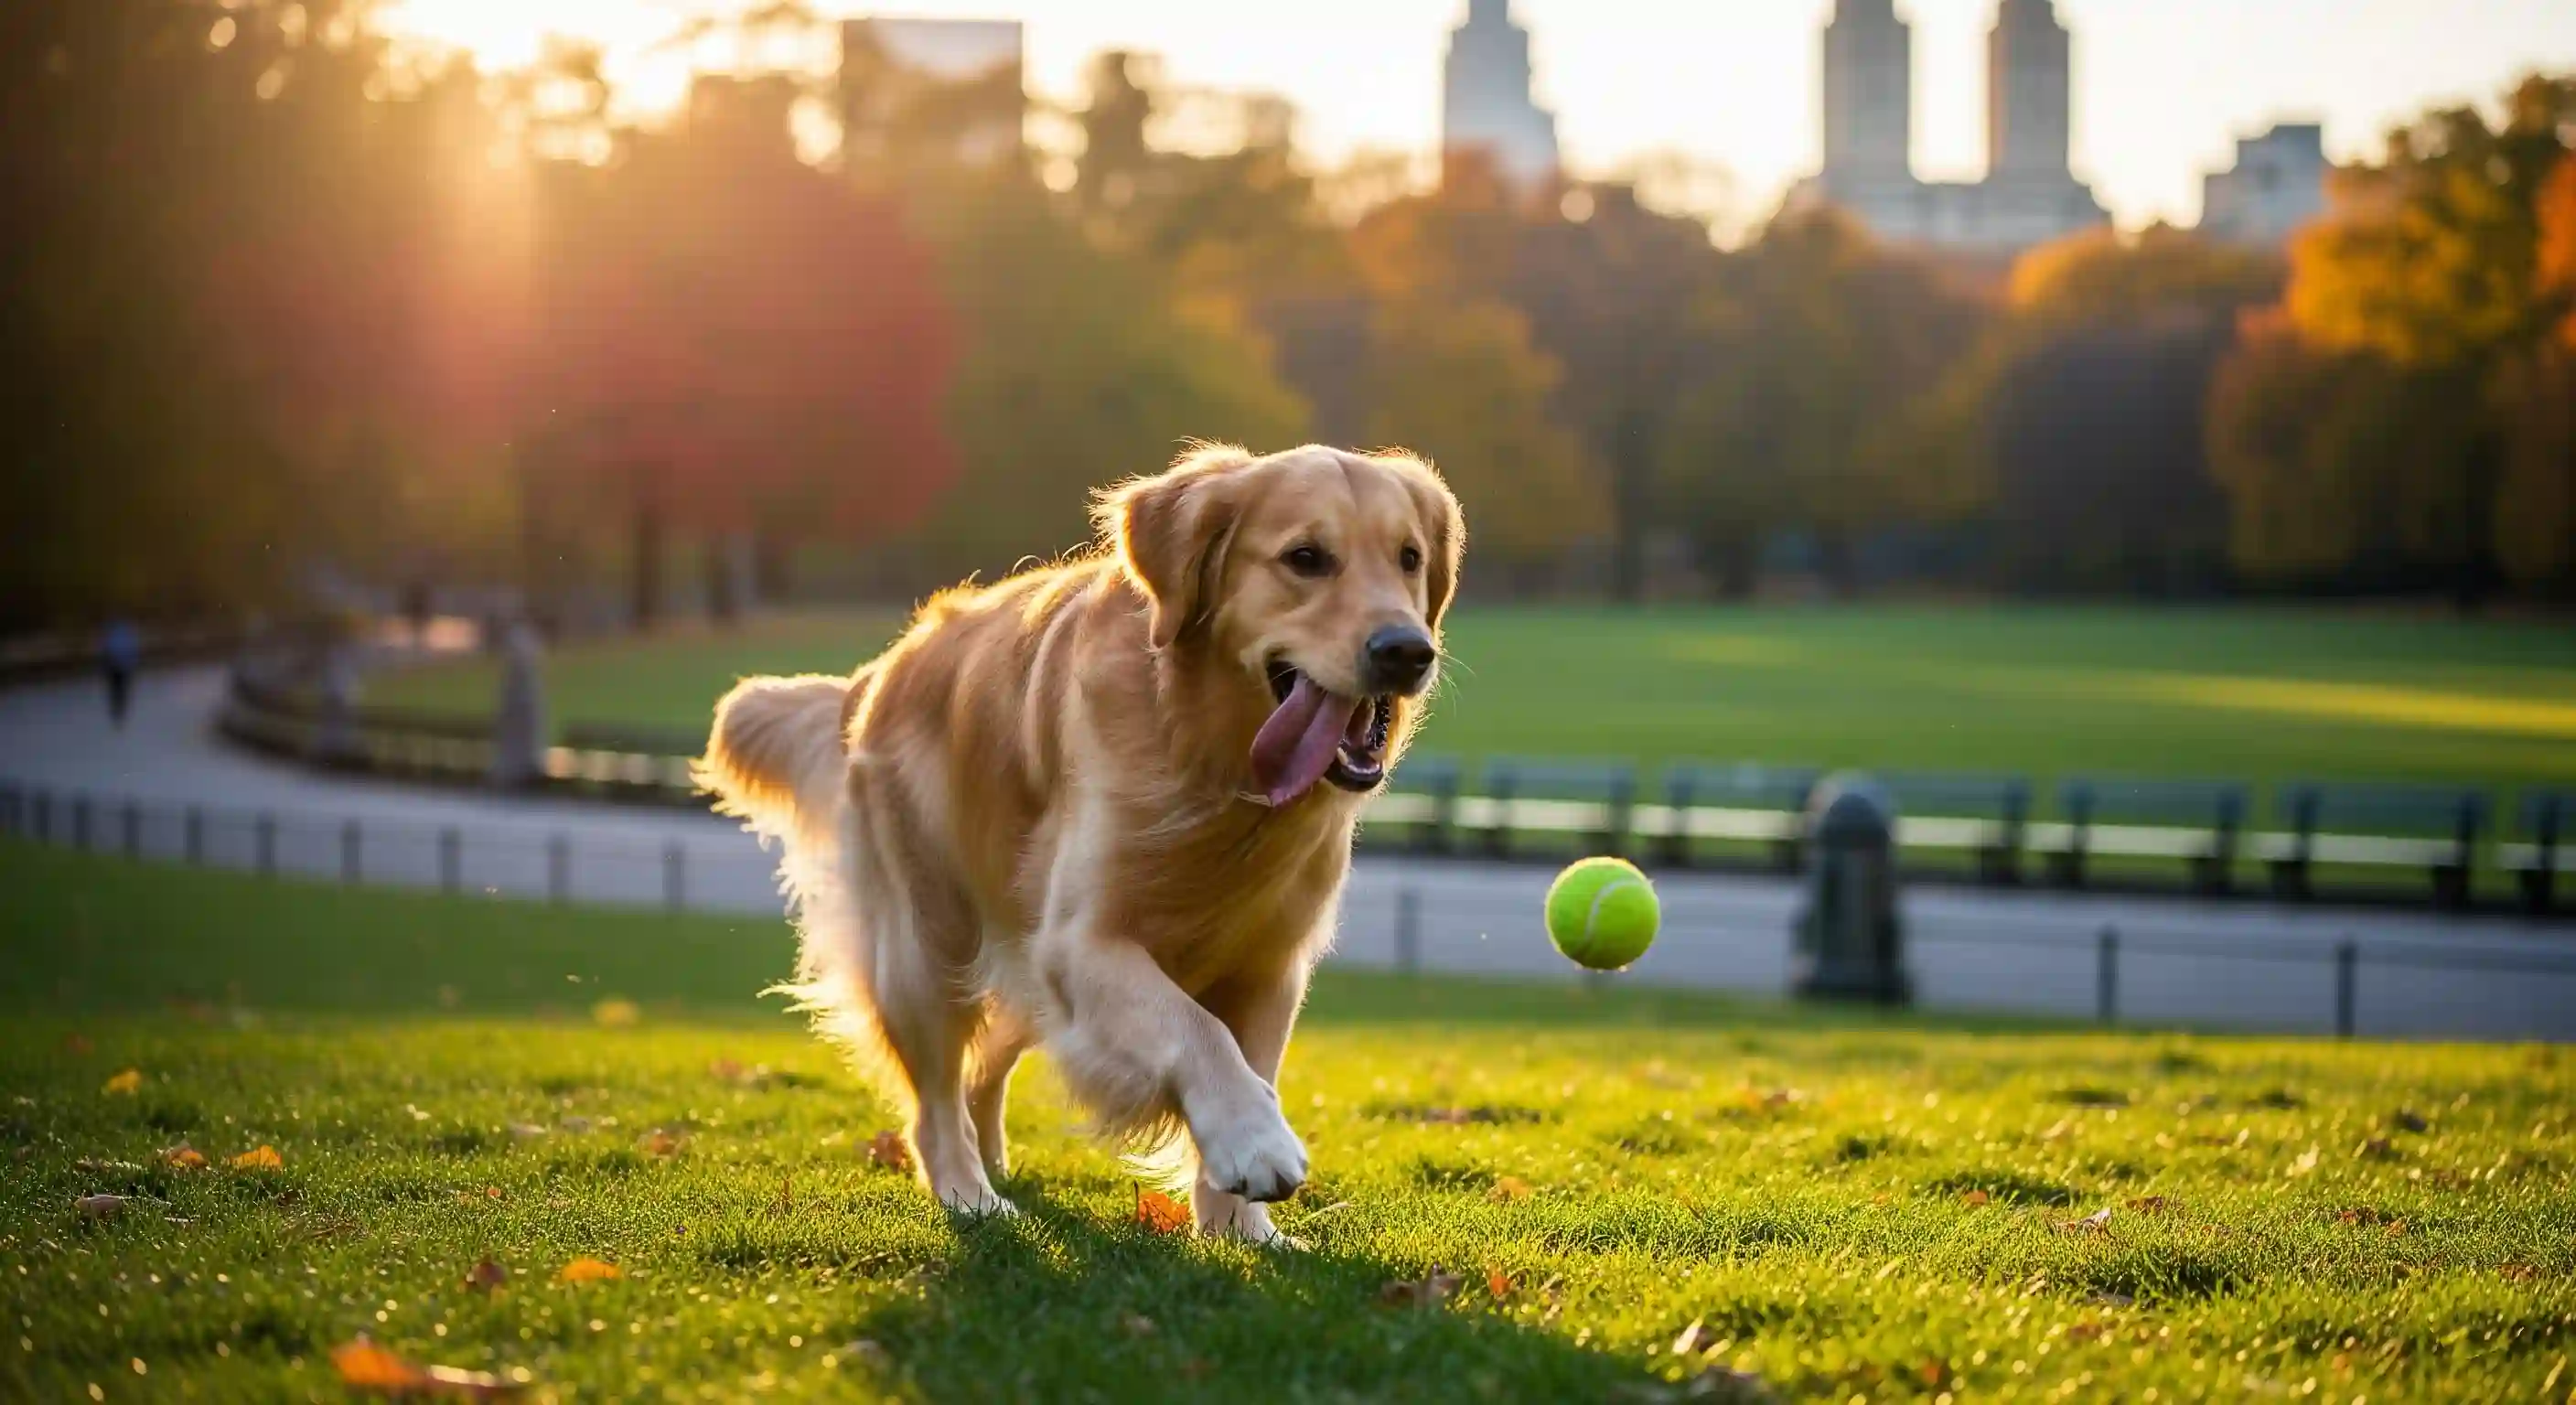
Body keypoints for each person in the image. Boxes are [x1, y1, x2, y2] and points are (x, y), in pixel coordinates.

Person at [100, 617, 141, 727]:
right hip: (124, 668)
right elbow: (133, 651)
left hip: (114, 668)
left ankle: (116, 711)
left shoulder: (110, 637)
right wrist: (133, 665)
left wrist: (105, 666)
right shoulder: (128, 636)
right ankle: (121, 710)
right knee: (122, 690)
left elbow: (106, 652)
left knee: (115, 690)